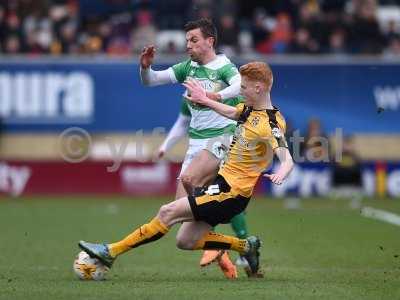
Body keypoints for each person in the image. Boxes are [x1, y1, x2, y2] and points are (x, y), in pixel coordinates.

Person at [79, 61, 294, 278]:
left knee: (167, 212)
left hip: (230, 192)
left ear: (258, 88)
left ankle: (110, 251)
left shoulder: (272, 123)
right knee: (186, 240)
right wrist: (205, 100)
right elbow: (231, 112)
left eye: (244, 87)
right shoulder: (249, 110)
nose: (240, 91)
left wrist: (281, 173)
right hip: (224, 186)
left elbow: (287, 159)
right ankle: (246, 246)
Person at [140, 18, 245, 278]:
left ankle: (222, 219)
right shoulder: (188, 68)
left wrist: (212, 96)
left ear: (210, 41)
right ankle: (234, 247)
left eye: (194, 40)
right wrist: (145, 68)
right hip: (196, 144)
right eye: (187, 40)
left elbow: (239, 84)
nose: (189, 45)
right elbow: (151, 81)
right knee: (182, 224)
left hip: (223, 138)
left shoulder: (223, 66)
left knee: (189, 181)